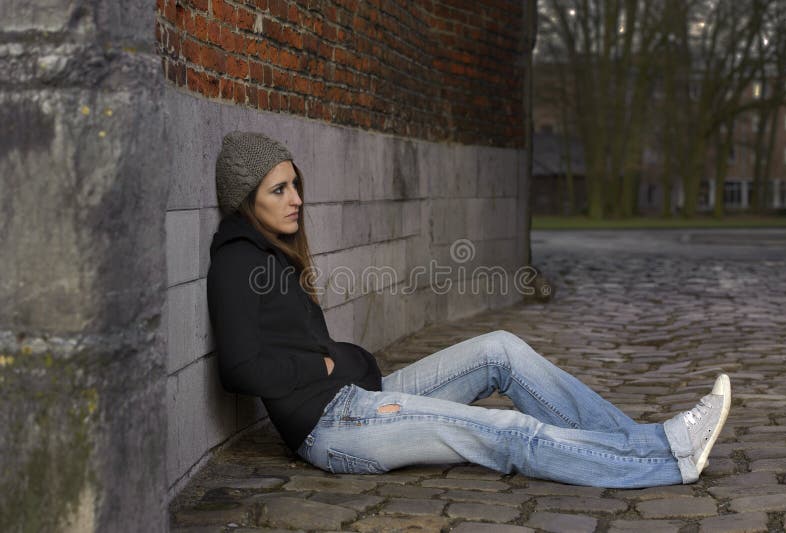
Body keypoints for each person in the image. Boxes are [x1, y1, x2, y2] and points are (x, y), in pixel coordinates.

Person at [206, 131, 732, 489]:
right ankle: (667, 461)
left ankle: (651, 441)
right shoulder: (236, 261)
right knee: (502, 433)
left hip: (362, 395)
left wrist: (347, 362)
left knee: (499, 349)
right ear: (245, 199)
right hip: (333, 428)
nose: (296, 197)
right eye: (280, 189)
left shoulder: (274, 251)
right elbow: (238, 367)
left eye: (295, 183)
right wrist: (319, 366)